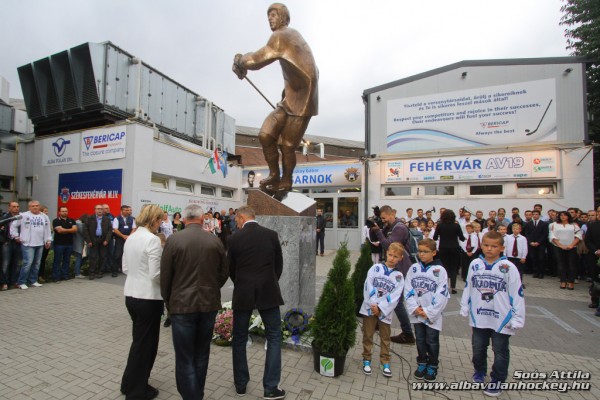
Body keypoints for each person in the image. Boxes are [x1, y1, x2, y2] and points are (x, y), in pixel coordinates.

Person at [233, 3, 318, 193]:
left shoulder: (283, 35)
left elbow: (256, 59)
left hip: (303, 104)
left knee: (287, 146)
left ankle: (286, 181)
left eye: (273, 15)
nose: (270, 19)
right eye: (268, 16)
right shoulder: (292, 38)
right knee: (265, 134)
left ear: (284, 18)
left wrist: (240, 60)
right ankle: (274, 174)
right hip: (289, 99)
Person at [160, 204, 228, 400]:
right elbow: (224, 273)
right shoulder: (214, 241)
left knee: (185, 357)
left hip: (181, 305)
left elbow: (165, 277)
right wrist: (212, 288)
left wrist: (168, 302)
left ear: (184, 219)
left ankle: (192, 396)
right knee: (201, 353)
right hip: (208, 303)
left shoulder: (174, 240)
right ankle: (197, 393)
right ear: (201, 219)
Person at [227, 205, 286, 399]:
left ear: (242, 218)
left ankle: (241, 385)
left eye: (236, 220)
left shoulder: (234, 239)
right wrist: (269, 281)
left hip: (243, 292)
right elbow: (279, 264)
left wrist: (243, 283)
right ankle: (270, 388)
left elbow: (231, 269)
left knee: (239, 337)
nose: (236, 224)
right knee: (274, 337)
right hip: (268, 291)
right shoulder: (271, 235)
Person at [460, 231, 525, 397]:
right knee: (478, 347)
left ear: (502, 248)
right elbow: (468, 286)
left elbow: (517, 293)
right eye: (486, 245)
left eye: (494, 246)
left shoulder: (509, 268)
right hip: (479, 315)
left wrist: (518, 317)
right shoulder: (475, 263)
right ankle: (479, 371)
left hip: (501, 317)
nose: (489, 249)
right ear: (481, 245)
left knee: (500, 350)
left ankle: (498, 378)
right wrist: (464, 305)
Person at [120, 204, 165, 400]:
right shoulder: (152, 240)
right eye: (160, 220)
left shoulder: (131, 238)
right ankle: (137, 391)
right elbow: (156, 274)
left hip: (131, 294)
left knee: (139, 342)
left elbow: (124, 268)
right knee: (146, 345)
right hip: (148, 298)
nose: (161, 224)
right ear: (153, 219)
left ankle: (129, 383)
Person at [405, 239, 449, 382]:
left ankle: (433, 364)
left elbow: (442, 293)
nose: (422, 254)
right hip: (417, 312)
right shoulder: (414, 268)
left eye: (425, 252)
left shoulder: (440, 270)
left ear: (434, 252)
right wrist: (414, 308)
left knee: (432, 340)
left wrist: (429, 311)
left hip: (431, 314)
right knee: (420, 339)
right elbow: (408, 288)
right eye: (420, 251)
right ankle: (422, 361)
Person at [370, 205, 415, 344]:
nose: (383, 220)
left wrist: (378, 232)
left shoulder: (399, 228)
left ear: (391, 214)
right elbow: (379, 238)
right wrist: (377, 228)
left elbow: (388, 245)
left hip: (401, 268)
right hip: (394, 267)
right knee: (384, 294)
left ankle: (408, 334)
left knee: (398, 302)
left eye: (384, 218)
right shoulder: (390, 227)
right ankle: (378, 323)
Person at [360, 242, 405, 379]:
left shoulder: (399, 276)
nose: (391, 258)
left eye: (395, 256)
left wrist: (381, 308)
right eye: (390, 255)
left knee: (385, 337)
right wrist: (373, 304)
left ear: (400, 258)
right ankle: (366, 358)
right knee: (368, 334)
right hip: (370, 308)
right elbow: (368, 285)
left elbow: (395, 296)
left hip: (385, 311)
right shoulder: (376, 268)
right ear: (386, 253)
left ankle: (385, 361)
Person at [11, 200, 52, 289]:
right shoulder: (24, 215)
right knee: (28, 263)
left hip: (40, 243)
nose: (35, 207)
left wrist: (48, 240)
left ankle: (33, 280)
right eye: (33, 206)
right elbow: (13, 225)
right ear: (29, 207)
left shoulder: (44, 216)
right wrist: (16, 236)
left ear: (39, 206)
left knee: (37, 263)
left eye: (37, 205)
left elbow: (48, 229)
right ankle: (21, 282)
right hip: (28, 243)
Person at [433, 209, 465, 295]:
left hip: (443, 248)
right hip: (454, 248)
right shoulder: (456, 226)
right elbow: (462, 238)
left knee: (444, 267)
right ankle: (453, 287)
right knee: (454, 268)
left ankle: (445, 286)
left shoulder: (440, 225)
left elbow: (435, 238)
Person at [549, 211, 582, 290]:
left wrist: (571, 245)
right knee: (561, 264)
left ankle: (571, 282)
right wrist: (561, 245)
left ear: (568, 216)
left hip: (571, 247)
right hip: (558, 247)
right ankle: (563, 281)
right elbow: (552, 236)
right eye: (561, 215)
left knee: (571, 265)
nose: (563, 217)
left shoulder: (573, 225)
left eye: (565, 215)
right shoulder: (554, 225)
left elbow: (578, 236)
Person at [83, 204, 113, 280]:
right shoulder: (89, 218)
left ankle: (100, 272)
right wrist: (88, 241)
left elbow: (110, 230)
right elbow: (85, 230)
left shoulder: (107, 219)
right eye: (98, 209)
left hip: (103, 240)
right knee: (93, 257)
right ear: (95, 210)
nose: (100, 210)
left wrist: (107, 240)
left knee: (103, 257)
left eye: (101, 209)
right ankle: (92, 272)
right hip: (93, 240)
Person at [52, 206, 77, 282]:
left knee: (66, 260)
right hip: (59, 244)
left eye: (66, 211)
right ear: (59, 212)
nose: (65, 212)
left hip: (69, 243)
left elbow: (75, 229)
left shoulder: (71, 220)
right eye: (63, 211)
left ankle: (65, 275)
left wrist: (64, 230)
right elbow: (59, 231)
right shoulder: (56, 221)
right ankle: (56, 277)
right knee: (57, 261)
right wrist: (70, 230)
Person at [1, 201, 22, 290]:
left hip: (18, 243)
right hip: (7, 242)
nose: (16, 208)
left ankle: (14, 282)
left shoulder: (21, 217)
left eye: (17, 206)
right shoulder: (5, 217)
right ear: (9, 208)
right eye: (14, 206)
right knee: (6, 263)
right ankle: (4, 283)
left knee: (17, 264)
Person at [113, 205, 136, 277]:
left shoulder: (132, 219)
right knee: (117, 254)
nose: (127, 212)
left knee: (128, 254)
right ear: (121, 211)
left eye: (128, 210)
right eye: (126, 210)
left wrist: (129, 236)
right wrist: (123, 236)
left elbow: (134, 228)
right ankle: (114, 270)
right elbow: (115, 229)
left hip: (129, 239)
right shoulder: (117, 219)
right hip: (120, 238)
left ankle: (125, 269)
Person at [525, 210, 549, 279]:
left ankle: (541, 273)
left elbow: (545, 234)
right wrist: (530, 242)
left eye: (536, 214)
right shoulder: (528, 224)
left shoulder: (544, 224)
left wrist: (538, 242)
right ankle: (535, 272)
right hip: (531, 244)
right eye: (534, 214)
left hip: (540, 244)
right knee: (533, 258)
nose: (535, 215)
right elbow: (527, 234)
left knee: (541, 258)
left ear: (539, 215)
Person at [73, 214, 87, 278]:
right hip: (78, 243)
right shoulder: (80, 224)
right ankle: (77, 273)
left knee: (79, 257)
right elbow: (83, 232)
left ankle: (77, 269)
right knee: (79, 257)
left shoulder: (76, 222)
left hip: (77, 242)